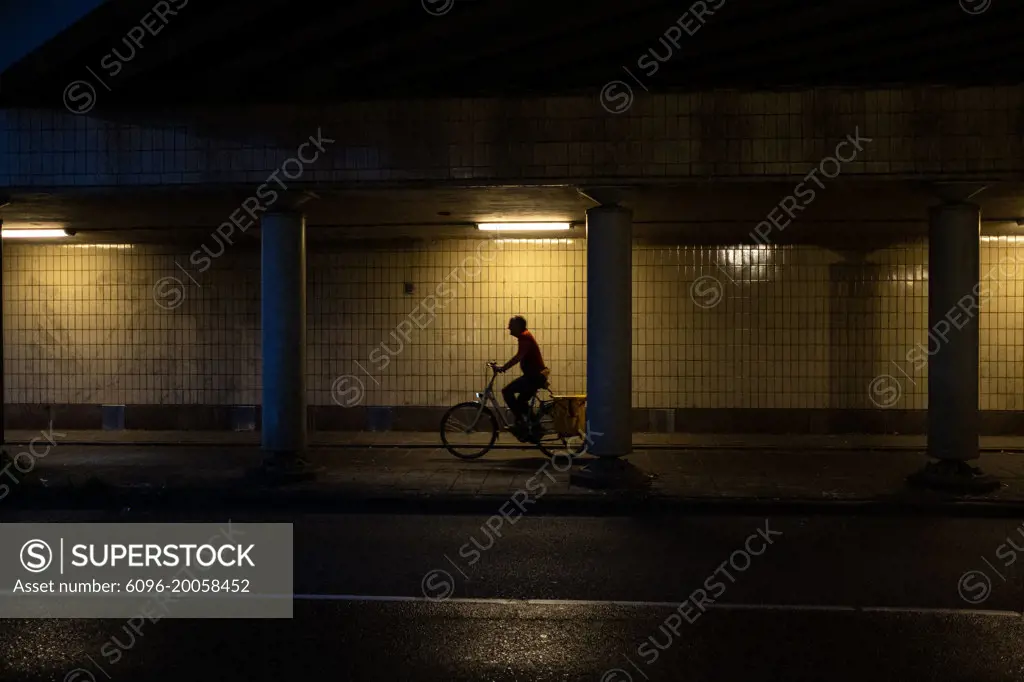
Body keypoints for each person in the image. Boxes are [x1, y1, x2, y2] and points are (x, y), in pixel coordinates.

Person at [493, 316, 548, 440]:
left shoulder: (524, 337)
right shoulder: (525, 336)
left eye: (511, 326)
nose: (509, 329)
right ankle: (535, 427)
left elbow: (518, 357)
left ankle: (521, 422)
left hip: (534, 377)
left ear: (518, 327)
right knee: (521, 402)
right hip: (534, 376)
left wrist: (503, 368)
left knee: (507, 391)